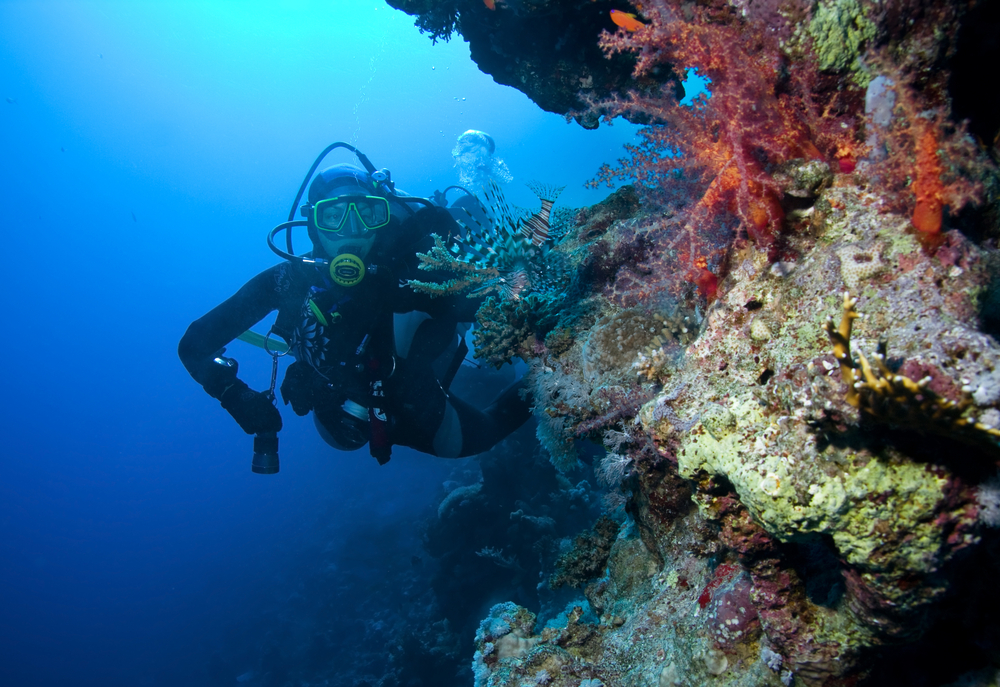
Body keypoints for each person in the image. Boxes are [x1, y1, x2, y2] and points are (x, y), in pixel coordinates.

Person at [178, 145, 531, 472]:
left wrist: (449, 299)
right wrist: (233, 395)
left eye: (366, 214)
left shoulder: (415, 265)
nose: (352, 232)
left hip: (417, 367)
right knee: (338, 440)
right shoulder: (288, 281)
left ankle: (546, 378)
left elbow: (495, 297)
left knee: (483, 435)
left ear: (383, 215)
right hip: (359, 386)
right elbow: (193, 344)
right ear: (313, 223)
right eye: (333, 216)